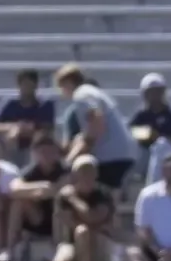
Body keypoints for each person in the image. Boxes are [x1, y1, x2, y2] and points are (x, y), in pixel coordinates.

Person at [53, 63, 135, 191]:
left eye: (61, 86)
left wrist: (69, 160)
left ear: (68, 82)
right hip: (121, 153)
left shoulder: (82, 95)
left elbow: (96, 125)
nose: (62, 92)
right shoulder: (94, 92)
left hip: (110, 157)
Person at [0, 69, 56, 167]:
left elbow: (47, 128)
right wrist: (14, 128)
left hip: (35, 141)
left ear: (36, 85)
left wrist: (24, 130)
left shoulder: (45, 105)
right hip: (11, 141)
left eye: (30, 84)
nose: (27, 88)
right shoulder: (10, 103)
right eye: (24, 84)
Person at [129, 72, 171, 181]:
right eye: (150, 92)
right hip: (146, 157)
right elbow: (132, 133)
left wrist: (157, 137)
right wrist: (151, 136)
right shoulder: (141, 115)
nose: (154, 95)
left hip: (170, 156)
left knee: (161, 146)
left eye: (157, 91)